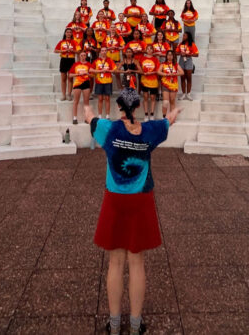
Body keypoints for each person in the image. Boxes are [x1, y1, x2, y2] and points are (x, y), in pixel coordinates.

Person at [86, 85, 179, 335]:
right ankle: (136, 324)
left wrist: (88, 110)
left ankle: (115, 325)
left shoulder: (108, 129)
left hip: (115, 200)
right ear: (138, 106)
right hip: (140, 200)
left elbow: (89, 117)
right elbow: (168, 121)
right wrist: (173, 113)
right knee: (136, 262)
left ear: (119, 106)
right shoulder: (150, 132)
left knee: (115, 262)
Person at [54, 28, 80, 101]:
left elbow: (78, 52)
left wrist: (73, 50)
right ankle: (63, 95)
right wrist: (63, 50)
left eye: (70, 32)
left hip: (71, 60)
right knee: (63, 78)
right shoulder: (61, 42)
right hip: (64, 59)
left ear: (72, 34)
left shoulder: (74, 42)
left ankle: (69, 94)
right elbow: (55, 50)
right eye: (67, 32)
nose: (68, 33)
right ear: (65, 33)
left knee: (70, 78)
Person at [137, 44, 160, 121]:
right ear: (146, 50)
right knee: (145, 97)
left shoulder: (155, 59)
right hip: (144, 81)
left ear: (153, 50)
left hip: (153, 81)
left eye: (151, 49)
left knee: (153, 97)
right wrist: (142, 72)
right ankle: (146, 114)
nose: (149, 50)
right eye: (148, 49)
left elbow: (158, 70)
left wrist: (150, 73)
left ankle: (152, 114)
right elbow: (139, 68)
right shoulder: (142, 58)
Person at [68, 50, 92, 124]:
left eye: (84, 55)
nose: (83, 57)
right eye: (81, 55)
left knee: (86, 102)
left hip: (86, 83)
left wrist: (87, 73)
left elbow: (92, 75)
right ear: (79, 56)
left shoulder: (88, 64)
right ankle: (75, 118)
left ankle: (87, 118)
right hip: (77, 83)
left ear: (86, 56)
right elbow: (70, 75)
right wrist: (77, 74)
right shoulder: (75, 64)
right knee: (76, 101)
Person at [91, 47, 116, 119]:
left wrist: (108, 71)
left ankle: (108, 116)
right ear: (100, 52)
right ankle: (99, 116)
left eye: (105, 51)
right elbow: (91, 69)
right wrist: (99, 71)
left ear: (107, 52)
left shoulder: (110, 60)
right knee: (100, 99)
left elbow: (114, 70)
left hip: (108, 81)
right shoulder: (96, 61)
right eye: (102, 51)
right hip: (99, 81)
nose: (104, 52)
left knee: (107, 98)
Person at [158, 50, 184, 117]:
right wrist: (166, 74)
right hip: (165, 84)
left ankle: (172, 117)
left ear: (173, 56)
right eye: (168, 55)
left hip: (173, 84)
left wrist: (175, 74)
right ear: (166, 56)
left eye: (171, 55)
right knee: (165, 102)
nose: (170, 56)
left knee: (172, 101)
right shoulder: (163, 64)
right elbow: (158, 72)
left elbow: (182, 72)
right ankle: (164, 117)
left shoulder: (175, 64)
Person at [176, 32, 199, 100]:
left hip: (188, 60)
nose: (183, 37)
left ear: (188, 37)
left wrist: (188, 54)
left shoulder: (192, 44)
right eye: (183, 35)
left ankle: (188, 94)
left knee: (189, 77)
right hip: (181, 60)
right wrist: (181, 53)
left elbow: (197, 54)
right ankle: (183, 94)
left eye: (185, 36)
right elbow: (176, 52)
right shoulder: (180, 44)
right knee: (182, 77)